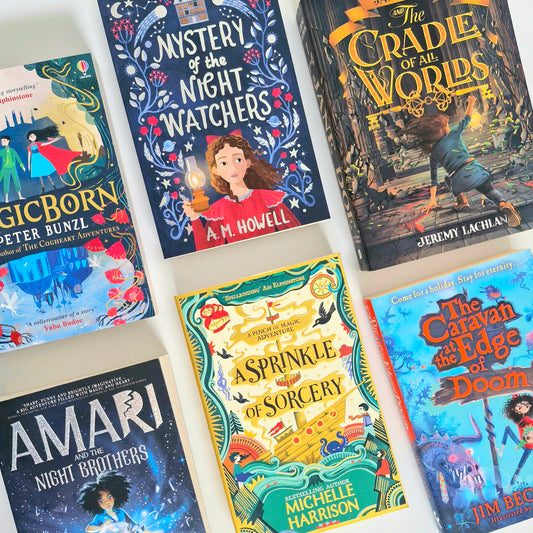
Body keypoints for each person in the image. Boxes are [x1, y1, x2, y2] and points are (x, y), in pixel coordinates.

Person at [403, 95, 521, 227]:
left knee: (448, 179)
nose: (449, 127)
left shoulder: (433, 154)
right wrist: (471, 102)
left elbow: (433, 180)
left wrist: (432, 201)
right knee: (488, 190)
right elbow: (467, 118)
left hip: (458, 182)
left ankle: (461, 200)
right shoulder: (453, 134)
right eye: (446, 126)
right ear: (441, 130)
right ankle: (502, 203)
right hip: (476, 171)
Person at [183, 132, 300, 250]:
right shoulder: (219, 210)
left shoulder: (267, 198)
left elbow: (296, 233)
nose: (232, 168)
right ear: (215, 170)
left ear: (247, 162)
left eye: (238, 159)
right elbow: (207, 251)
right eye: (224, 163)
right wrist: (194, 218)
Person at [78, 470, 150, 532]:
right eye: (101, 501)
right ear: (97, 504)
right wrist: (101, 527)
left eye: (109, 497)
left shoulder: (121, 512)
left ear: (114, 497)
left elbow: (134, 525)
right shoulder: (99, 516)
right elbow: (88, 529)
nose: (107, 503)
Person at [27, 125, 81, 193]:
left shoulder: (38, 144)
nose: (33, 137)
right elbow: (29, 155)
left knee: (47, 172)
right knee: (40, 174)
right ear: (29, 138)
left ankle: (53, 186)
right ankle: (43, 188)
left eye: (34, 135)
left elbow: (47, 143)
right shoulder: (29, 147)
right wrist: (29, 165)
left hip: (40, 158)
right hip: (35, 160)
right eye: (31, 136)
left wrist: (54, 140)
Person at [500, 394, 533, 486]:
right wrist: (515, 397)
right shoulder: (519, 421)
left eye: (526, 406)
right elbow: (515, 402)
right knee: (507, 428)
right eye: (519, 407)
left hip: (528, 447)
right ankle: (501, 450)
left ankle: (510, 485)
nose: (523, 408)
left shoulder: (528, 420)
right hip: (523, 444)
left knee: (519, 467)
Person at [0, 135, 25, 202]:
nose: (2, 142)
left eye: (4, 141)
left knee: (16, 181)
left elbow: (18, 158)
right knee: (6, 183)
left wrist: (22, 166)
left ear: (8, 141)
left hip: (13, 168)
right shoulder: (2, 151)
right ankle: (6, 199)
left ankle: (20, 196)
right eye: (1, 141)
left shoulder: (12, 150)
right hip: (5, 169)